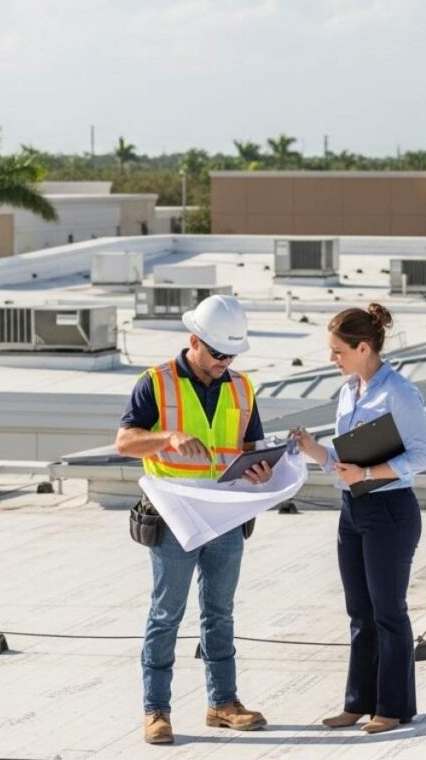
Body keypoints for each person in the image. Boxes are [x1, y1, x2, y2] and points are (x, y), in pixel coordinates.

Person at [115, 294, 273, 745]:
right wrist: (167, 437)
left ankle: (223, 703)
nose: (225, 362)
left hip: (225, 516)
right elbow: (125, 442)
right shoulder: (156, 383)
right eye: (219, 353)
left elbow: (250, 448)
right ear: (195, 341)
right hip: (175, 517)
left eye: (232, 355)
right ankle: (156, 711)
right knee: (167, 613)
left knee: (220, 613)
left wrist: (262, 469)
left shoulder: (242, 387)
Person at [289, 304, 426, 734]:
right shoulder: (349, 391)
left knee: (388, 612)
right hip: (353, 509)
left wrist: (368, 474)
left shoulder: (399, 393)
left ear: (364, 347)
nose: (332, 359)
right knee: (359, 612)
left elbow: (421, 456)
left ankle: (392, 708)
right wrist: (314, 450)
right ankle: (357, 703)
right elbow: (347, 459)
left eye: (339, 351)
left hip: (390, 510)